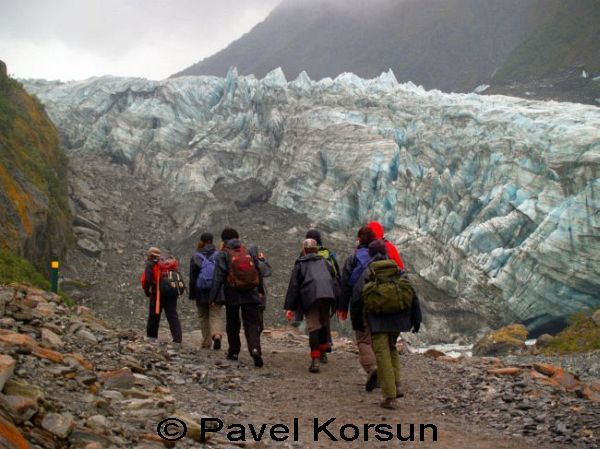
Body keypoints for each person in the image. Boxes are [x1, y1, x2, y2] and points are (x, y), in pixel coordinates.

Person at [350, 240, 422, 409]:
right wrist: (416, 320)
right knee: (391, 348)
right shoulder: (398, 270)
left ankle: (389, 397)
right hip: (398, 318)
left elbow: (356, 299)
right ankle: (397, 385)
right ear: (385, 252)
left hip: (377, 319)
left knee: (381, 353)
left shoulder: (368, 272)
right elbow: (413, 295)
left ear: (371, 254)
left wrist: (357, 323)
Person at [209, 228, 265, 367]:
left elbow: (218, 278)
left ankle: (234, 352)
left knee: (233, 323)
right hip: (251, 292)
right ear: (238, 237)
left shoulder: (223, 254)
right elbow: (258, 271)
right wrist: (260, 290)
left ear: (223, 241)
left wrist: (212, 297)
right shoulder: (248, 251)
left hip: (232, 293)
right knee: (252, 323)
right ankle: (255, 349)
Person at [284, 238, 337, 373]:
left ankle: (315, 361)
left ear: (304, 249)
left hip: (311, 296)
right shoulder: (325, 262)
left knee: (313, 326)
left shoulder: (300, 264)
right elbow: (333, 278)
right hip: (328, 295)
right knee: (324, 323)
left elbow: (294, 287)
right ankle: (323, 352)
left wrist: (290, 307)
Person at [337, 226, 378, 386]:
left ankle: (372, 367)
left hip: (360, 301)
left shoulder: (353, 258)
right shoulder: (381, 256)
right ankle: (386, 374)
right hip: (380, 301)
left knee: (363, 338)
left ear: (359, 239)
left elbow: (345, 285)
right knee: (378, 337)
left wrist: (342, 308)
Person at [305, 229, 340, 352]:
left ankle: (317, 351)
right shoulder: (327, 253)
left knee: (314, 322)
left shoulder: (304, 254)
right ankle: (326, 344)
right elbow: (336, 274)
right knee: (324, 319)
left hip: (310, 294)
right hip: (328, 292)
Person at [142, 246, 183, 346]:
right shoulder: (169, 264)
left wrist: (147, 292)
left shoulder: (151, 264)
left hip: (157, 294)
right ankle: (177, 339)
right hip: (171, 293)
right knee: (172, 315)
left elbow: (147, 280)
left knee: (154, 316)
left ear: (150, 255)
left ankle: (152, 338)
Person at [189, 232, 223, 350]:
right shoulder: (219, 255)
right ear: (212, 241)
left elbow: (193, 277)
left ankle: (206, 342)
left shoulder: (196, 256)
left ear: (201, 241)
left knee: (203, 316)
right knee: (215, 314)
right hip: (216, 289)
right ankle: (217, 334)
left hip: (201, 291)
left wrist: (192, 294)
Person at [248, 244, 272, 332]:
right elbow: (268, 272)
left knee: (250, 312)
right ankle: (260, 327)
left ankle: (252, 328)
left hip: (249, 292)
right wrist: (263, 259)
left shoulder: (246, 264)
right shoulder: (261, 264)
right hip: (260, 292)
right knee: (260, 311)